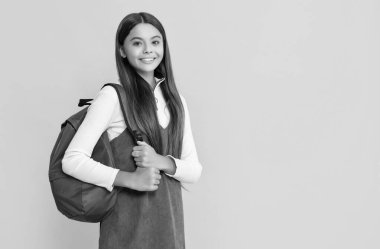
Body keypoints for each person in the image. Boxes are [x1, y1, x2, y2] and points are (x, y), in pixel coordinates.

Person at [61, 12, 202, 249]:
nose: (148, 50)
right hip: (126, 234)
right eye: (137, 43)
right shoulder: (113, 97)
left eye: (155, 42)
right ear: (122, 50)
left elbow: (194, 171)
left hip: (170, 232)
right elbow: (72, 160)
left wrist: (160, 161)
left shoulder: (177, 102)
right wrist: (130, 179)